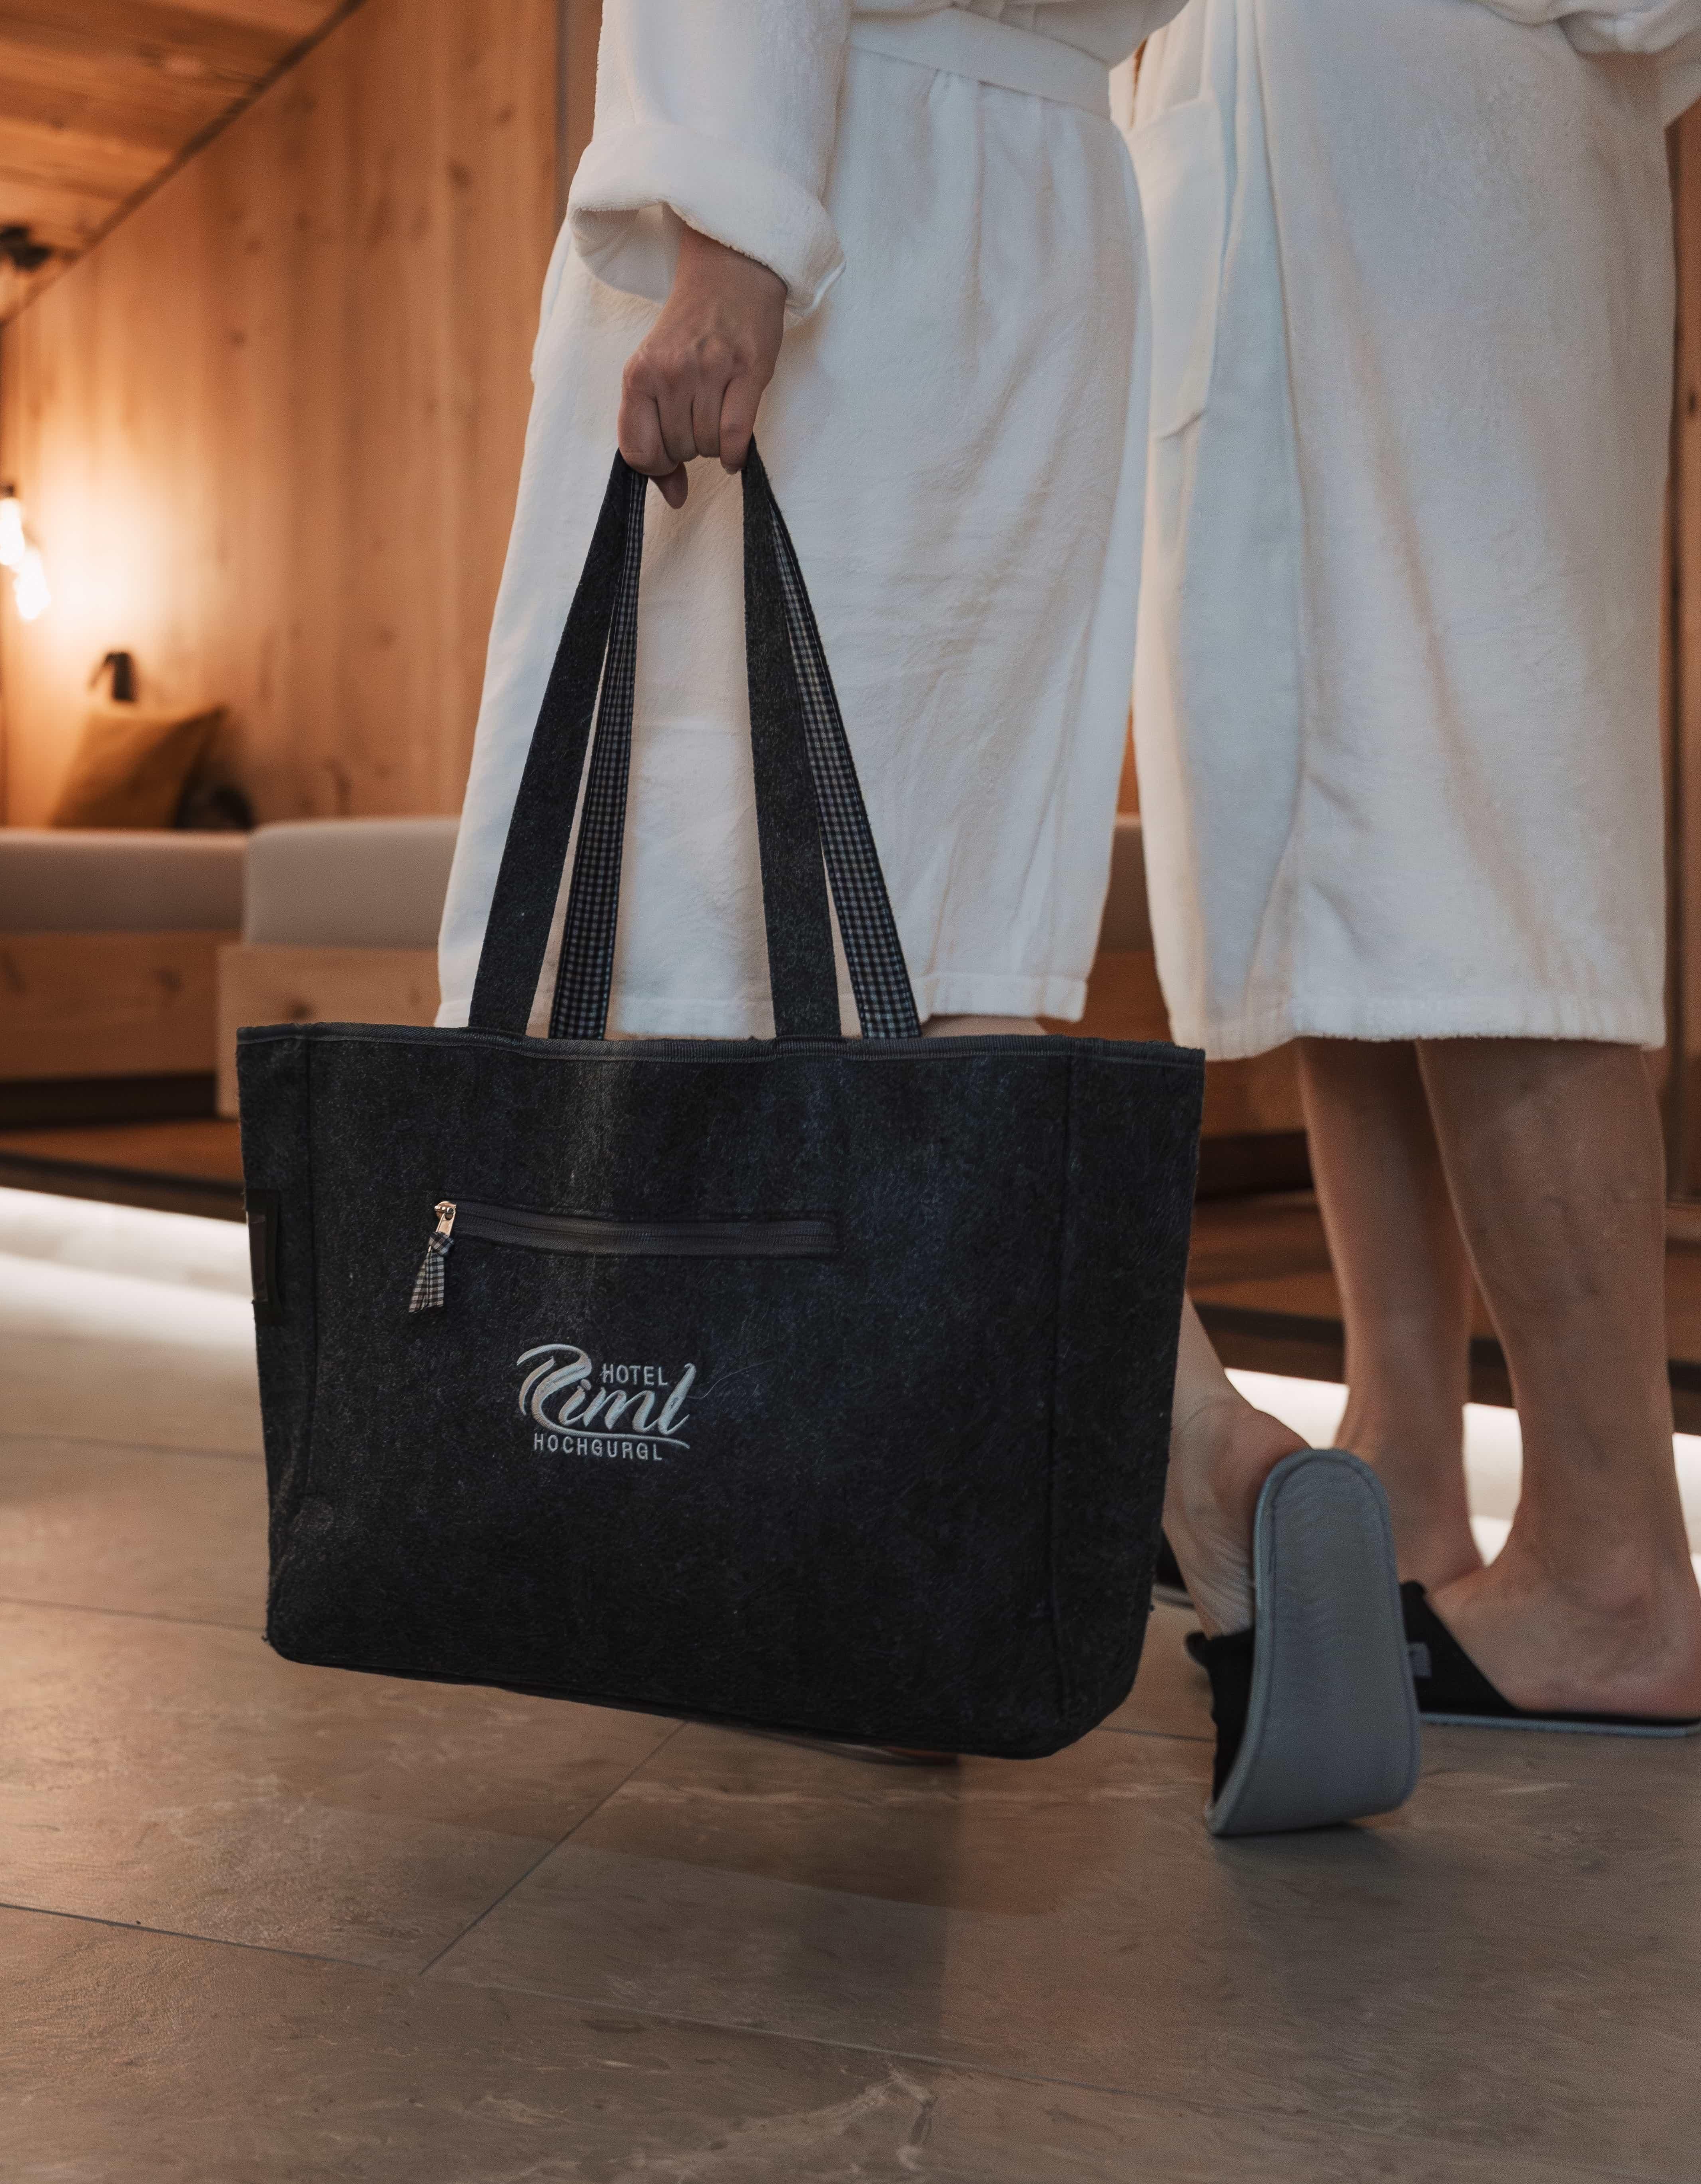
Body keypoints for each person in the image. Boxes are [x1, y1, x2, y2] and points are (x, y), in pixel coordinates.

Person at [434, 0, 1417, 1825]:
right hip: (1051, 192)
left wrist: (729, 241)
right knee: (922, 946)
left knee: (704, 912)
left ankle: (1108, 1489)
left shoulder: (770, 227)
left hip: (828, 189)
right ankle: (1164, 1475)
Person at [1131, 0, 1701, 1730]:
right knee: (1338, 831)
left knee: (1475, 804)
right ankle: (1401, 1462)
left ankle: (1612, 1560)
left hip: (1431, 131)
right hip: (1269, 118)